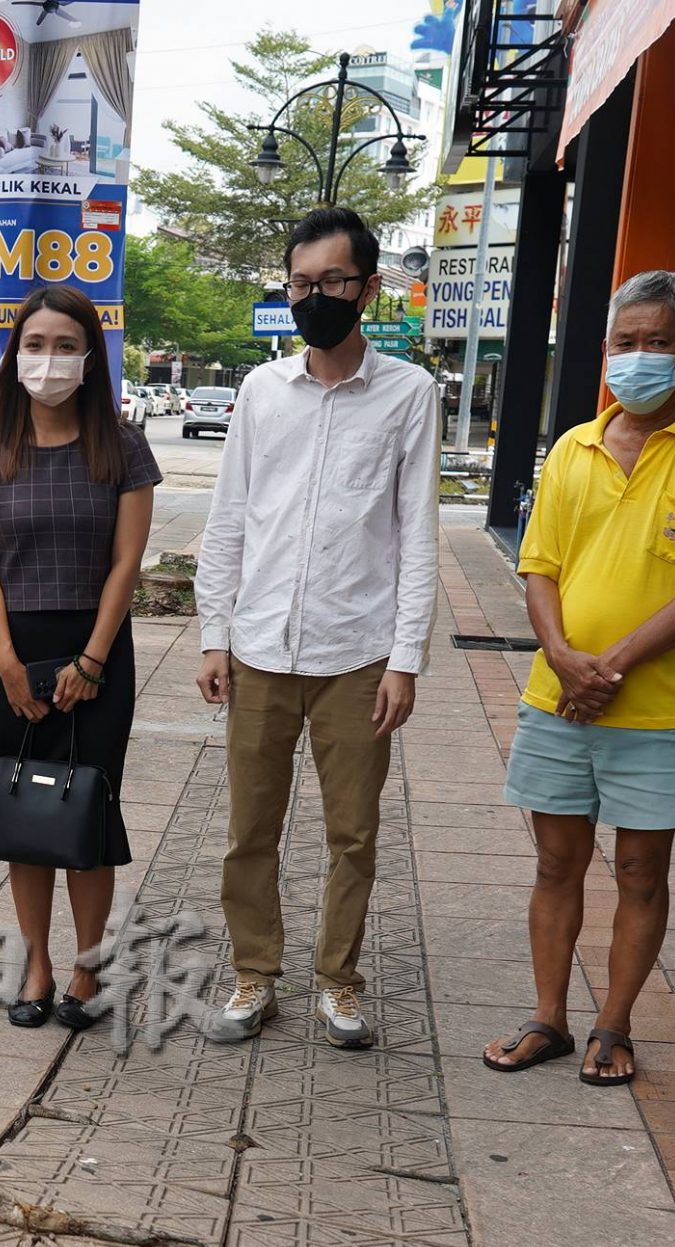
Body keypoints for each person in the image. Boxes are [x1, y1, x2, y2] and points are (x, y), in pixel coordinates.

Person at [481, 269, 675, 1088]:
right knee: (555, 862)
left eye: (657, 344)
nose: (637, 358)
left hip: (662, 706)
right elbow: (539, 566)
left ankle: (615, 1024)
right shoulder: (574, 447)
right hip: (558, 697)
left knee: (642, 870)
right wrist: (566, 660)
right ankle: (549, 1018)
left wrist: (609, 667)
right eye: (624, 343)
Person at [195, 205, 441, 1049]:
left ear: (368, 288)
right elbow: (229, 519)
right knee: (248, 831)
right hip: (260, 644)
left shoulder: (411, 393)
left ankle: (339, 981)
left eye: (331, 282)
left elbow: (416, 533)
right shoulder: (262, 392)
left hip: (357, 652)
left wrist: (405, 660)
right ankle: (253, 976)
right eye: (300, 283)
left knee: (354, 835)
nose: (314, 297)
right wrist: (212, 635)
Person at [0, 283, 161, 1028]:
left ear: (89, 358)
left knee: (87, 808)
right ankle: (37, 964)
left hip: (96, 647)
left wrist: (93, 661)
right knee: (24, 803)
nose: (49, 361)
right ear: (15, 355)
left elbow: (125, 563)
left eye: (65, 346)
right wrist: (8, 664)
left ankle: (87, 967)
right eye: (35, 346)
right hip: (13, 648)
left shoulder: (121, 444)